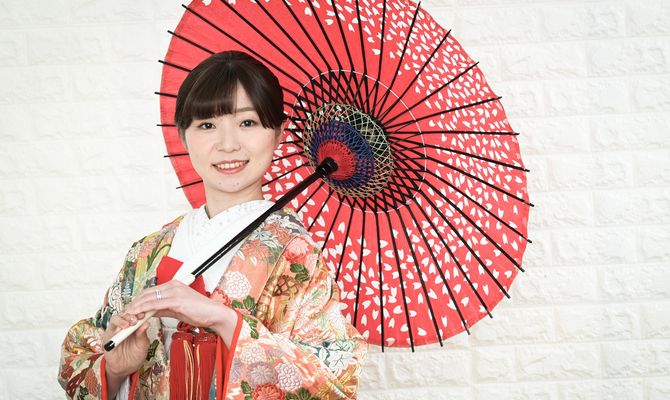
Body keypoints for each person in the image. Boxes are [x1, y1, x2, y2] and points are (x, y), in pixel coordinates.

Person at [58, 50, 367, 400]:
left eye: (247, 123)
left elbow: (333, 384)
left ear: (278, 133)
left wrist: (224, 320)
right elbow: (80, 360)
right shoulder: (148, 251)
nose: (228, 144)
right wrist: (115, 369)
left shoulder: (296, 255)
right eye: (207, 125)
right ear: (183, 135)